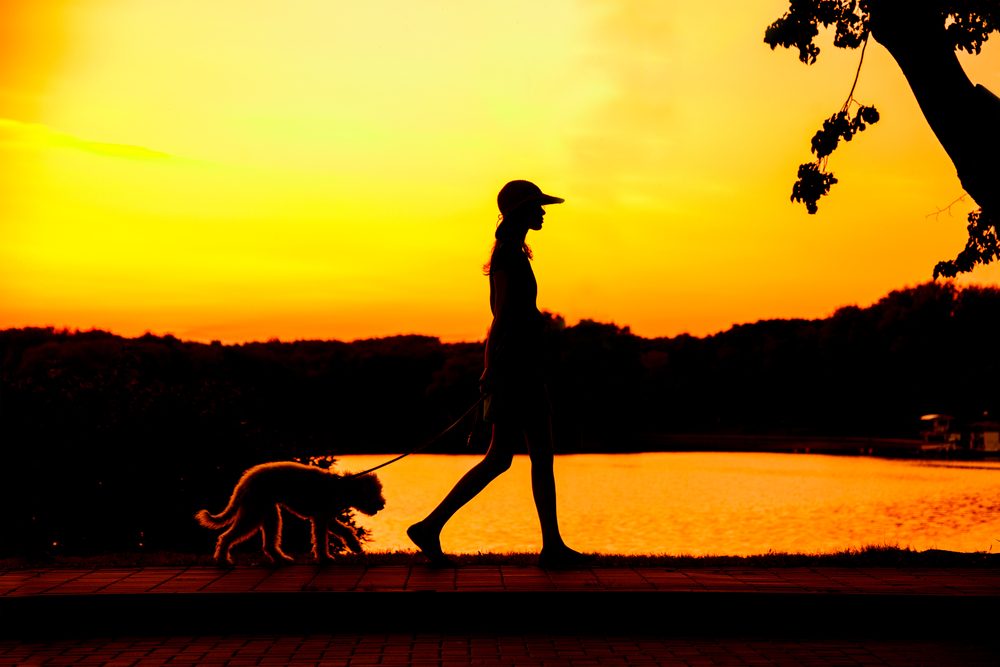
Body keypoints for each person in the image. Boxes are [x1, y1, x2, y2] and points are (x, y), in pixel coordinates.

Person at [407, 179, 589, 569]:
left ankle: (431, 526)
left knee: (504, 458)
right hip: (517, 371)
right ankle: (551, 546)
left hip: (520, 367)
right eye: (538, 206)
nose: (543, 212)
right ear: (522, 210)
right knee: (531, 456)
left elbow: (508, 317)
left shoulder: (513, 253)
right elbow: (502, 317)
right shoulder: (509, 256)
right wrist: (492, 368)